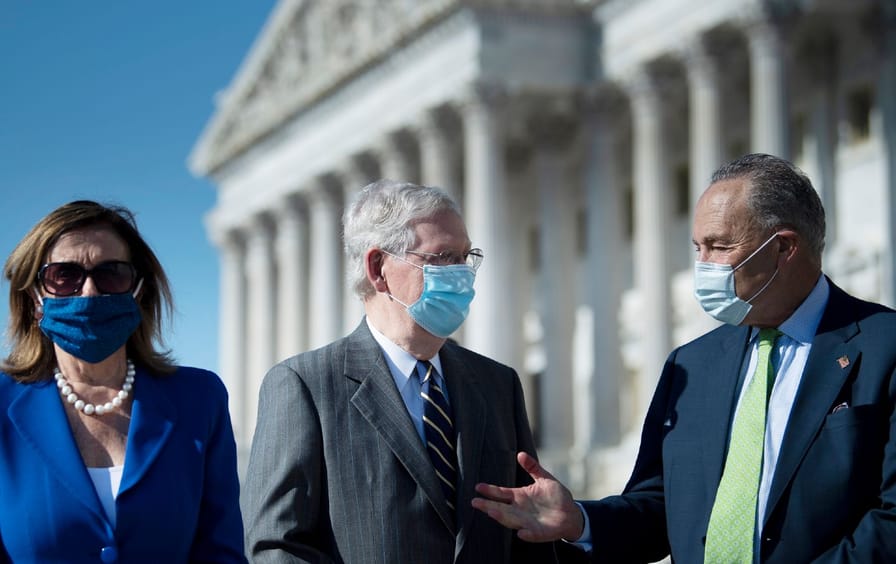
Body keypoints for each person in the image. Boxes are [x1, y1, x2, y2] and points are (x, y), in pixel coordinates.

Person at [472, 153, 896, 563]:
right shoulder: (691, 365)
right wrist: (579, 520)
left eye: (718, 246)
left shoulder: (883, 346)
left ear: (783, 248)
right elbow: (659, 507)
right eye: (698, 247)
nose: (702, 265)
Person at [242, 180, 566, 563]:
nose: (462, 273)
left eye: (466, 256)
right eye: (443, 257)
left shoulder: (498, 384)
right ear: (378, 268)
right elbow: (277, 547)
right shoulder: (305, 386)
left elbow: (527, 536)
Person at [0, 200, 246, 562]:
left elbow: (219, 552)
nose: (89, 292)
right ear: (35, 297)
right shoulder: (5, 406)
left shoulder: (199, 399)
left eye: (111, 274)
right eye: (64, 276)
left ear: (139, 290)